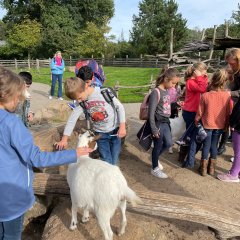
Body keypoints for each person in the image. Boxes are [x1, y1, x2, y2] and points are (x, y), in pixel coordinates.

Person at [0, 67, 92, 240]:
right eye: (18, 97)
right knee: (11, 235)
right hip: (11, 198)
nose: (19, 101)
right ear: (9, 96)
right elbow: (37, 158)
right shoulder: (12, 123)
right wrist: (75, 153)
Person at [55, 77, 126, 165]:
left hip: (115, 132)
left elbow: (120, 107)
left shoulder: (104, 92)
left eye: (80, 98)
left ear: (86, 86)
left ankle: (114, 174)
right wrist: (64, 139)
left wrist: (122, 127)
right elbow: (72, 119)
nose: (79, 101)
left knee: (115, 158)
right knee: (106, 160)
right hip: (100, 134)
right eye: (76, 99)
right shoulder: (81, 102)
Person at [195, 69, 232, 176]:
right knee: (214, 146)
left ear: (213, 80)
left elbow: (200, 112)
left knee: (206, 145)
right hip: (220, 125)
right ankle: (211, 168)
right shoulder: (227, 96)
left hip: (207, 124)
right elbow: (228, 112)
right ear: (225, 82)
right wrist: (226, 125)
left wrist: (196, 121)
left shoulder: (205, 95)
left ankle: (203, 169)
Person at [148, 68, 180, 178]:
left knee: (168, 143)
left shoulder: (166, 91)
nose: (173, 86)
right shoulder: (156, 92)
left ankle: (155, 158)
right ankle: (154, 168)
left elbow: (165, 106)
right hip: (158, 123)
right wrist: (154, 128)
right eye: (173, 83)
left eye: (175, 84)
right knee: (157, 145)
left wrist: (176, 105)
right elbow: (151, 113)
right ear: (166, 79)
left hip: (166, 122)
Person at [179, 62, 208, 165]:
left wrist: (202, 77)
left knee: (191, 135)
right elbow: (202, 89)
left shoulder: (197, 80)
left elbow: (204, 86)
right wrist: (200, 77)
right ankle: (185, 158)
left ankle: (184, 157)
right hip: (190, 113)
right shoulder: (190, 82)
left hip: (194, 112)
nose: (206, 73)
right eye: (204, 71)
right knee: (192, 136)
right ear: (197, 72)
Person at [217, 48, 240, 155]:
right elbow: (234, 85)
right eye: (228, 63)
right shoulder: (235, 71)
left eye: (232, 63)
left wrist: (230, 93)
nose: (230, 66)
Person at [217, 89, 240, 182]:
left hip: (238, 127)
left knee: (238, 152)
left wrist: (233, 124)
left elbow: (238, 112)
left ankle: (233, 174)